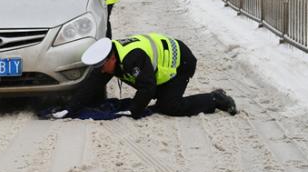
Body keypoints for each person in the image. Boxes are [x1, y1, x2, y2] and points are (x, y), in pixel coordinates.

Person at [78, 34, 238, 119]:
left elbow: (147, 87)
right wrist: (69, 109)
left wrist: (133, 111)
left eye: (102, 66)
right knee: (155, 97)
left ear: (111, 58)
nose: (102, 71)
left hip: (182, 63)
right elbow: (92, 84)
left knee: (170, 107)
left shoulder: (131, 59)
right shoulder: (112, 55)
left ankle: (216, 99)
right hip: (160, 68)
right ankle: (164, 94)